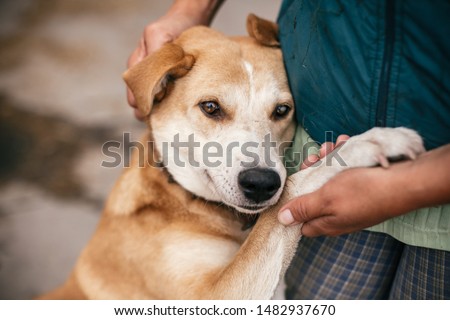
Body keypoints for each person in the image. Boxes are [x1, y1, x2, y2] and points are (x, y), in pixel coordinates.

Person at [126, 0, 450, 299]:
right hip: (330, 157)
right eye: (213, 108)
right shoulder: (142, 219)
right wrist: (193, 6)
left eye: (279, 111)